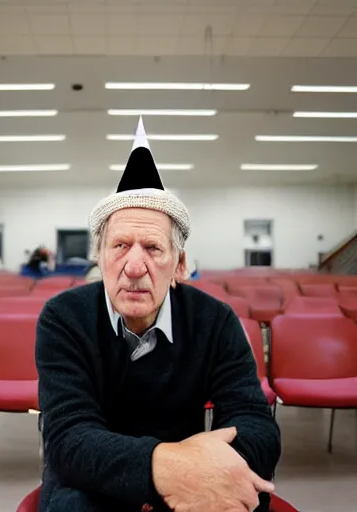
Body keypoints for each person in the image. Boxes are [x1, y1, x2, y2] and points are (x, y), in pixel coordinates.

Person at [36, 118, 281, 512]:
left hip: (193, 470)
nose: (134, 266)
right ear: (100, 257)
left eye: (152, 247)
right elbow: (68, 438)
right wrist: (164, 470)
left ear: (180, 265)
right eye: (119, 246)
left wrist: (196, 471)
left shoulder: (214, 321)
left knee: (248, 499)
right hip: (93, 480)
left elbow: (256, 424)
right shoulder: (64, 317)